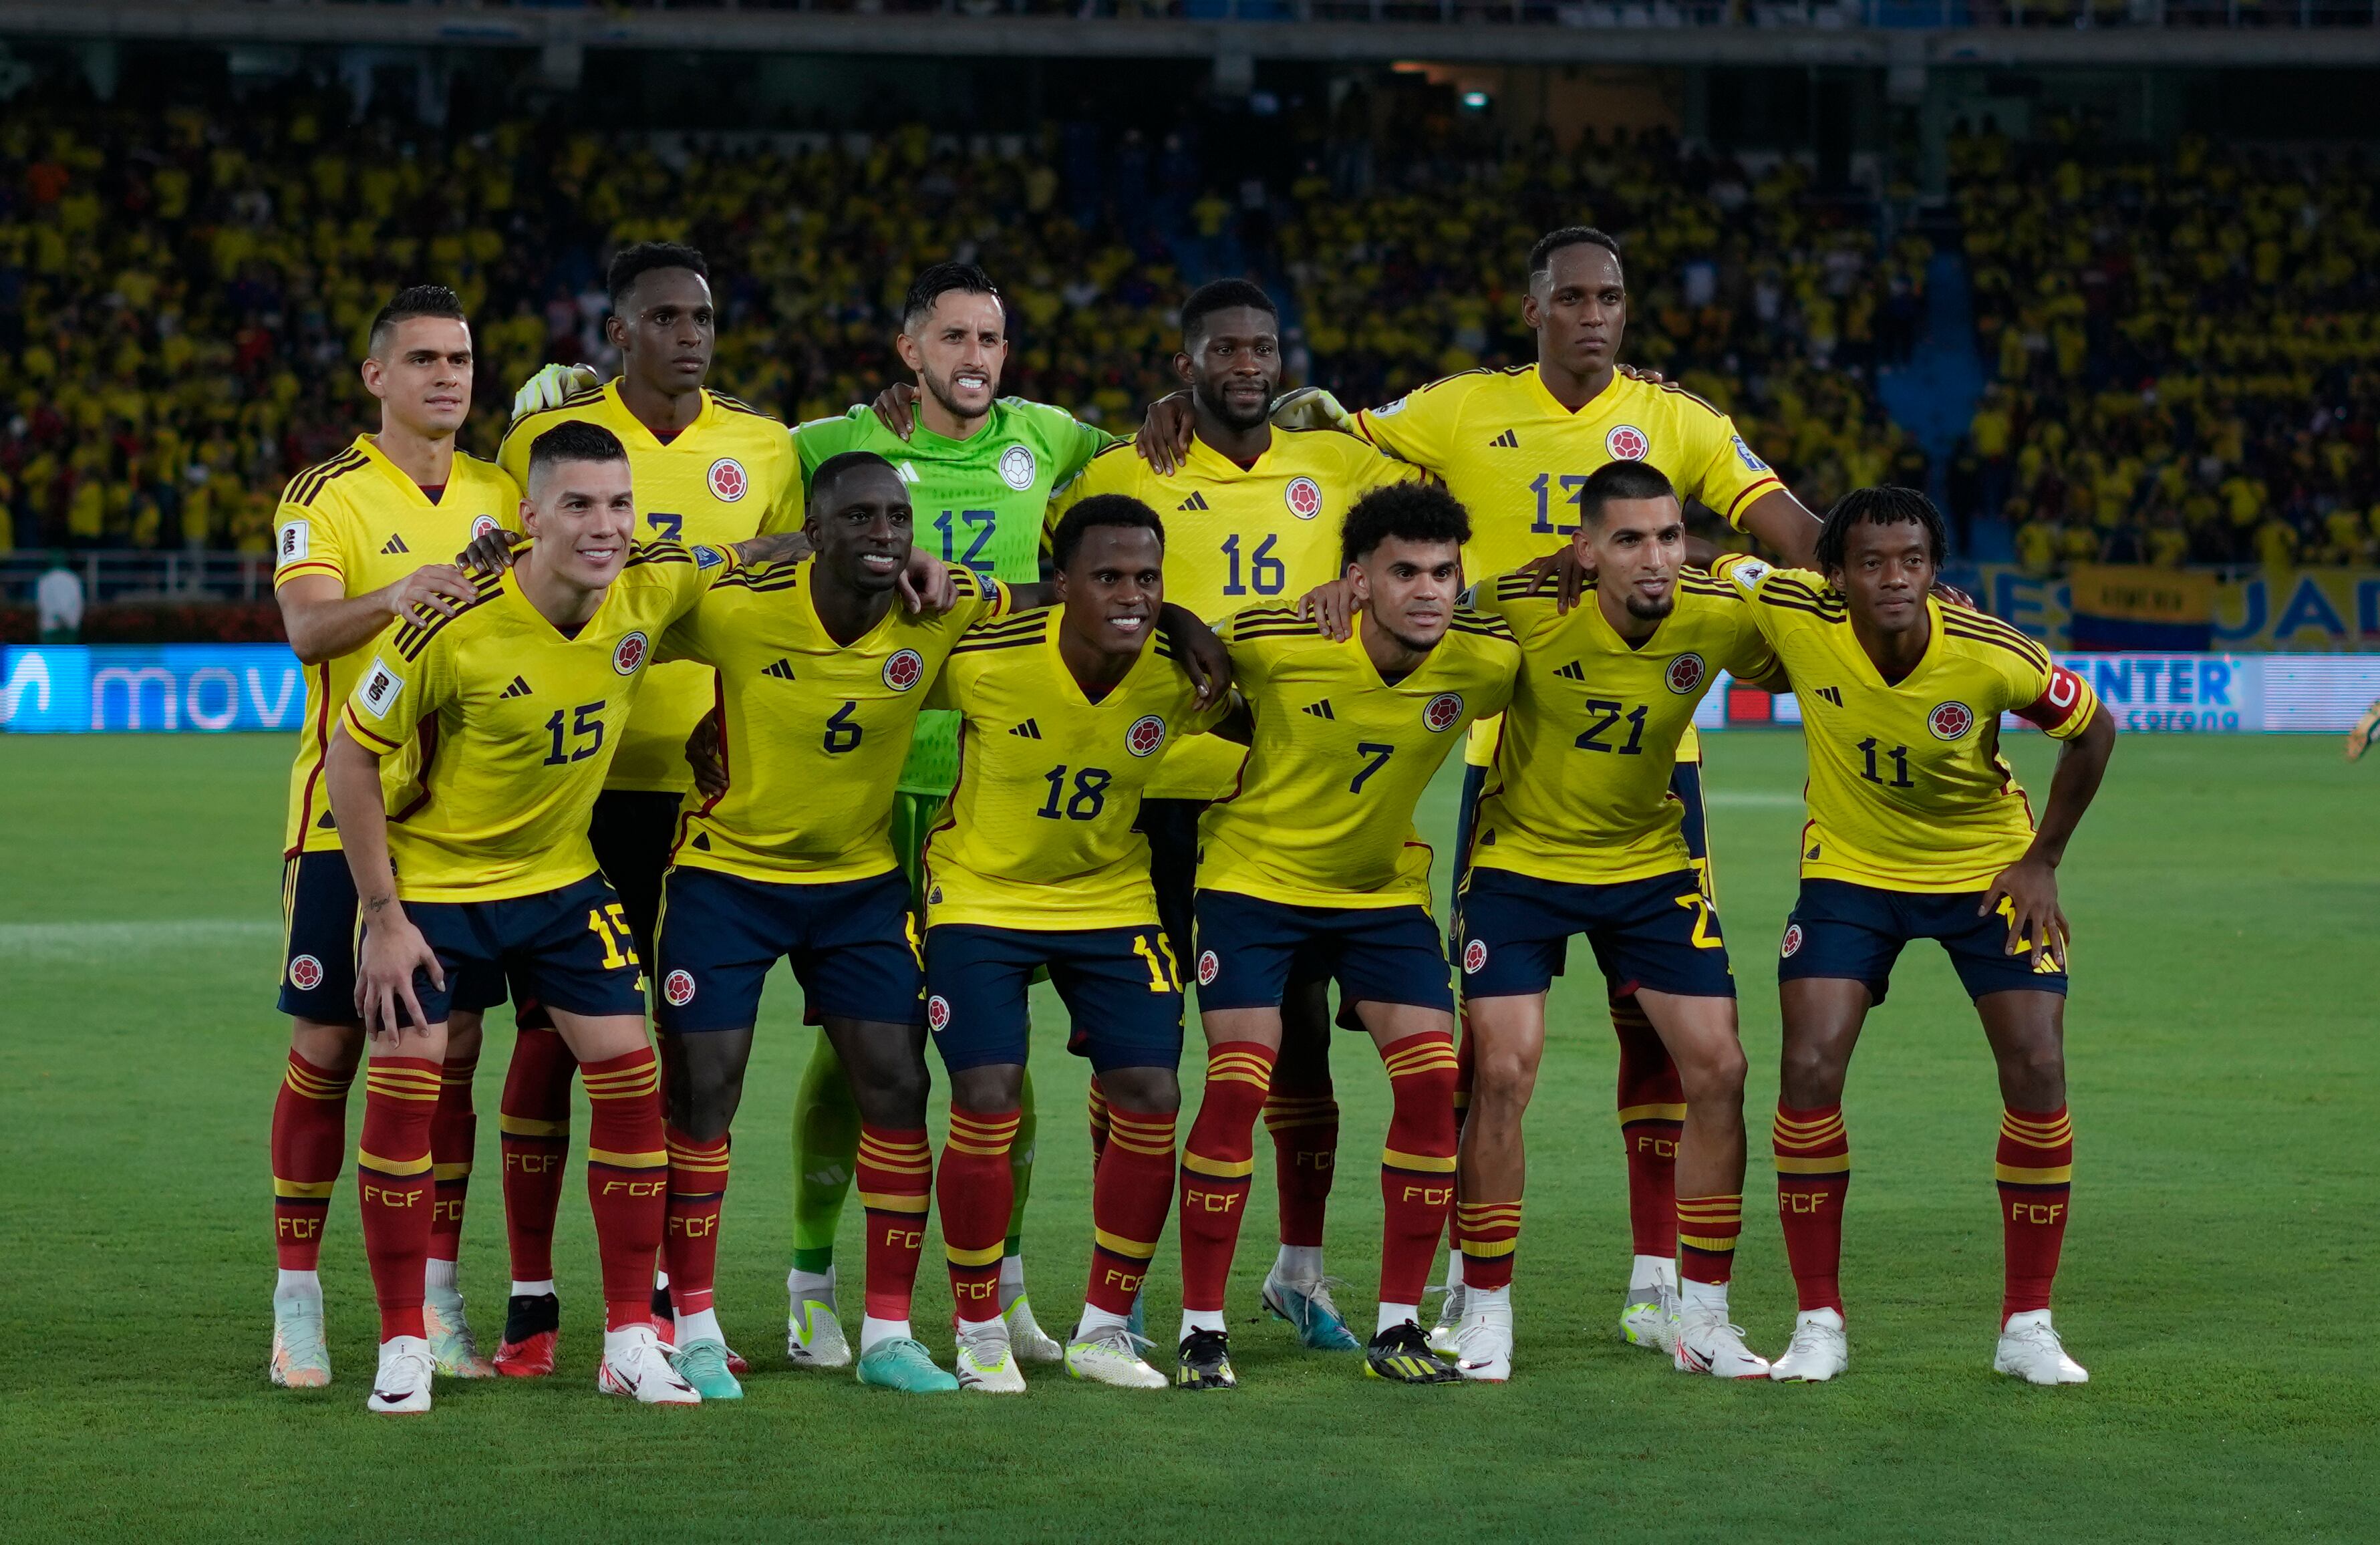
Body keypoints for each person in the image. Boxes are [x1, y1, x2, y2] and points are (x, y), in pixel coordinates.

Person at [1143, 225, 1824, 1352]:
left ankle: (1659, 1280)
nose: (1594, 315)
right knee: (1484, 1049)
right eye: (1573, 297)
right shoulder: (1456, 410)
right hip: (1485, 745)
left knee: (1658, 1039)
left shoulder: (1680, 419)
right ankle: (1469, 1277)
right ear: (1534, 307)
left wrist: (1860, 582)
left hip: (1651, 773)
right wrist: (1177, 415)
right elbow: (1311, 422)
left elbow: (1787, 530)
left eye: (1611, 295)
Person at [322, 420, 810, 1413]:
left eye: (620, 505)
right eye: (580, 506)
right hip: (438, 894)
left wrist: (896, 555)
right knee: (407, 1101)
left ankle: (630, 1336)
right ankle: (402, 1342)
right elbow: (350, 754)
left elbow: (763, 551)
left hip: (560, 885)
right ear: (529, 517)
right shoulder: (448, 619)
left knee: (634, 1087)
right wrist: (381, 917)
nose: (605, 526)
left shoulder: (651, 584)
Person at [1044, 278, 1421, 1351]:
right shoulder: (1126, 471)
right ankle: (1118, 1292)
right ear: (1185, 367)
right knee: (1136, 1051)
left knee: (1300, 1044)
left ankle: (1299, 1272)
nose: (1247, 366)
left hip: (1285, 800)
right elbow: (1065, 582)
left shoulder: (1343, 464)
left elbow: (1433, 522)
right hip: (1155, 798)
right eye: (1224, 350)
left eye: (1263, 348)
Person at [780, 263, 1119, 1369]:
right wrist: (555, 394)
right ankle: (809, 1283)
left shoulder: (1052, 438)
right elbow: (720, 492)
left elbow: (1173, 463)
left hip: (997, 787)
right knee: (859, 1050)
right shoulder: (827, 447)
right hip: (876, 782)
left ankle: (1002, 1291)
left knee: (998, 1064)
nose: (977, 359)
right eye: (956, 338)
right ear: (908, 350)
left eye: (993, 339)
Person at [1716, 486, 2115, 1386]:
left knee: (2039, 1070)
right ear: (1835, 572)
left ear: (1936, 572)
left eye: (1911, 561)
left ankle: (2027, 1326)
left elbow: (2092, 731)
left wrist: (2041, 859)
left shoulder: (1990, 653)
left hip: (1984, 871)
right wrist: (1589, 554)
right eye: (1869, 562)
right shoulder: (1791, 608)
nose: (1892, 579)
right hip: (1851, 874)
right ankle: (1817, 1321)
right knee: (1809, 1065)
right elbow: (1701, 559)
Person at [491, 241, 803, 1376]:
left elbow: (793, 572)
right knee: (546, 1040)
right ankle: (532, 1299)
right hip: (572, 792)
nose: (691, 333)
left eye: (704, 316)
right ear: (615, 331)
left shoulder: (764, 446)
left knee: (679, 1044)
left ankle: (667, 1296)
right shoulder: (543, 439)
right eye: (666, 316)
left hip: (709, 795)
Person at [647, 450, 1011, 1399]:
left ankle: (888, 1333)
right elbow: (633, 591)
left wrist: (1175, 617)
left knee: (896, 1085)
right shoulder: (739, 602)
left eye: (896, 517)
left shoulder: (939, 608)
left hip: (856, 885)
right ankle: (689, 1324)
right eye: (859, 518)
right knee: (704, 1092)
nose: (884, 534)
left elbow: (1058, 600)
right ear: (813, 531)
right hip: (725, 877)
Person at [1173, 482, 1519, 1389]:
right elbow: (1180, 660)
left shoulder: (1481, 665)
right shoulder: (1278, 640)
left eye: (1444, 572)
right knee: (1241, 1082)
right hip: (1253, 885)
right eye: (1403, 571)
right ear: (1356, 579)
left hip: (1377, 893)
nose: (1428, 590)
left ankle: (1398, 1326)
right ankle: (1201, 1329)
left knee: (1435, 1077)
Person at [1451, 461, 1788, 1381]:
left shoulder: (1713, 615)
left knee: (1719, 1066)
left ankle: (1702, 1317)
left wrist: (1752, 573)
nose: (1654, 560)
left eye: (1670, 538)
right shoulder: (1520, 605)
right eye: (1630, 540)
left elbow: (1820, 641)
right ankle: (1483, 1310)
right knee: (1505, 1074)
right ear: (1586, 549)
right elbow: (1420, 612)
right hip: (1520, 867)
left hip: (1649, 868)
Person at [263, 285, 520, 1391]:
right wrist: (398, 593)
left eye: (460, 358)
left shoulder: (501, 491)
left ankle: (436, 1299)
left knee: (449, 1055)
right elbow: (307, 626)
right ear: (377, 377)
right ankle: (299, 1297)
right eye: (421, 359)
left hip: (463, 831)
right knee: (329, 1050)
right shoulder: (326, 494)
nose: (447, 377)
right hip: (339, 819)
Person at [923, 495, 1234, 1393]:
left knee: (1151, 1091)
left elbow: (1278, 697)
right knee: (986, 1094)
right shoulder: (984, 655)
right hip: (981, 894)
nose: (1130, 596)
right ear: (1060, 587)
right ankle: (979, 1325)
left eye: (1147, 579)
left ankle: (1103, 1329)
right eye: (1106, 578)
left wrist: (1186, 621)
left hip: (1109, 897)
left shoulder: (1184, 672)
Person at [35, 552, 82, 642]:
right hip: (63, 626)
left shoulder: (45, 579)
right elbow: (77, 602)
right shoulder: (73, 578)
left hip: (56, 626)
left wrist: (60, 618)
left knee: (54, 655)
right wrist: (69, 619)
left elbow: (43, 603)